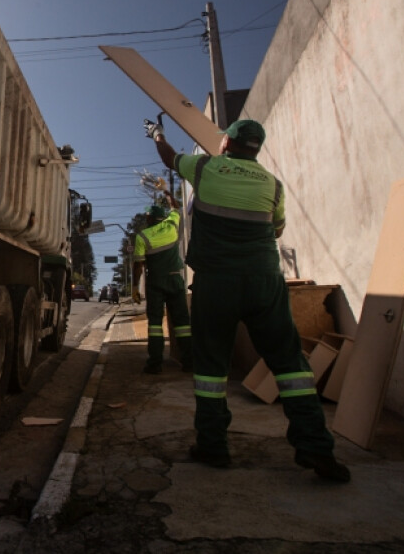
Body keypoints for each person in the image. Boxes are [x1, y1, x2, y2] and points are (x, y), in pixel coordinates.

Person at [146, 117, 350, 482]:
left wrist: (156, 134)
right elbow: (277, 229)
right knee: (291, 366)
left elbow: (169, 158)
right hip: (264, 282)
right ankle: (317, 448)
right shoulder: (273, 184)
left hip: (216, 282)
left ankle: (213, 446)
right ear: (257, 148)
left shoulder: (206, 167)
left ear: (226, 143)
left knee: (211, 369)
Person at [130, 189, 191, 374]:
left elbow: (139, 265)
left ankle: (155, 363)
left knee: (155, 324)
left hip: (155, 282)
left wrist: (135, 287)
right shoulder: (171, 225)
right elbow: (176, 207)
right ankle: (189, 362)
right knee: (183, 324)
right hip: (175, 279)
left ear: (149, 218)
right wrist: (166, 192)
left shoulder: (143, 236)